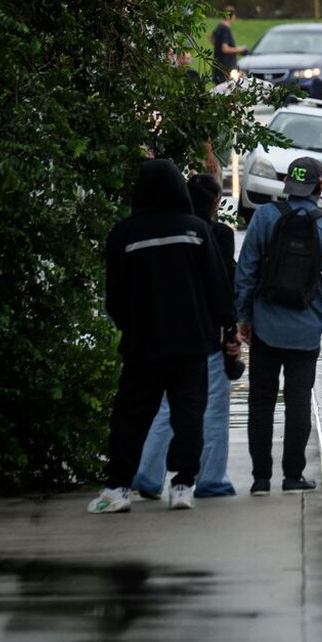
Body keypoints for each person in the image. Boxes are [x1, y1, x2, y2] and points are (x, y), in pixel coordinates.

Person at [90, 159, 232, 514]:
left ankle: (118, 489)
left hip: (143, 345)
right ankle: (183, 485)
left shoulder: (124, 234)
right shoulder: (196, 230)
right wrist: (225, 328)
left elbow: (115, 295)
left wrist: (128, 326)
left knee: (131, 417)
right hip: (192, 343)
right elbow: (217, 286)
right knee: (189, 415)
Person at [235, 156, 322, 495]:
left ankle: (260, 479)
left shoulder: (264, 217)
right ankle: (292, 476)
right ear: (320, 186)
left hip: (265, 327)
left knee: (261, 401)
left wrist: (244, 316)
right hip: (306, 331)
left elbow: (246, 271)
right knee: (298, 402)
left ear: (287, 182)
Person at [131, 174, 241, 500]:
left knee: (166, 407)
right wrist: (231, 329)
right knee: (213, 410)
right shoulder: (218, 234)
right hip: (207, 334)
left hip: (165, 332)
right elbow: (224, 284)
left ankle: (147, 474)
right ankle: (210, 480)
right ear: (216, 203)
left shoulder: (167, 231)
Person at [209, 6, 246, 86]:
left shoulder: (220, 26)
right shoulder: (225, 29)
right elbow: (225, 49)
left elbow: (211, 37)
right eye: (234, 16)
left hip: (218, 65)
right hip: (226, 67)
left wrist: (217, 46)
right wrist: (239, 49)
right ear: (231, 17)